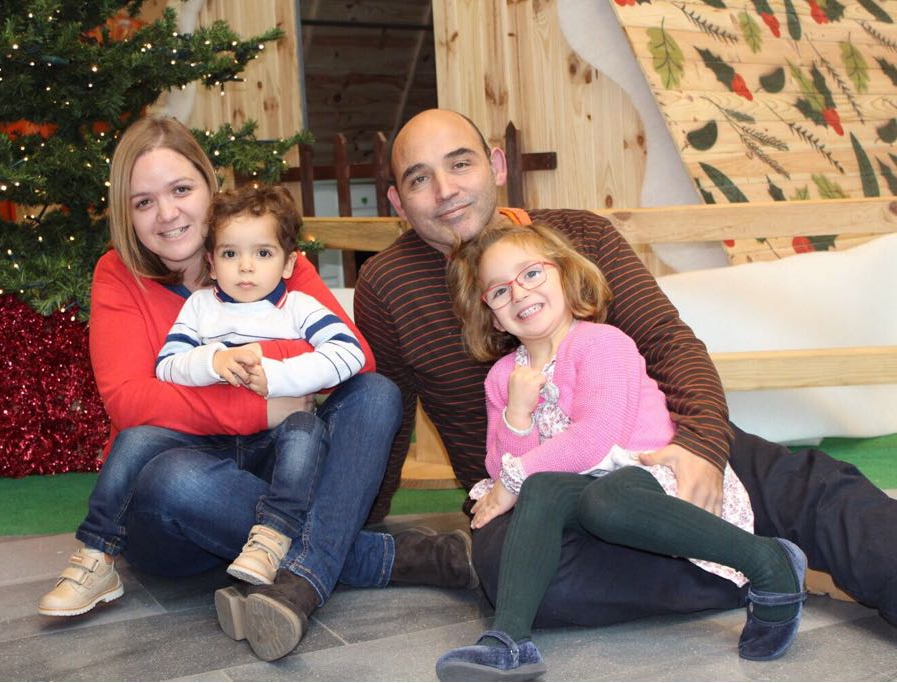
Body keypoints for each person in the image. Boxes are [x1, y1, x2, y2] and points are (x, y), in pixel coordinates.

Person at [354, 108, 897, 628]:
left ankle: (759, 547)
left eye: (460, 163)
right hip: (530, 497)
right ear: (398, 203)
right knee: (519, 581)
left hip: (651, 449)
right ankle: (758, 565)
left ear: (496, 165)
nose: (446, 190)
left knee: (812, 488)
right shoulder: (386, 284)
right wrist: (355, 528)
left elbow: (668, 342)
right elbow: (390, 415)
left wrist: (703, 446)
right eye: (420, 178)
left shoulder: (581, 235)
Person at [37, 115, 478, 663]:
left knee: (377, 393)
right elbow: (130, 402)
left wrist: (242, 371)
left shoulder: (266, 251)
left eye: (180, 190)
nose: (167, 213)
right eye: (143, 201)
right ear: (125, 213)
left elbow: (349, 355)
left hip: (281, 472)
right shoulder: (117, 273)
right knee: (173, 479)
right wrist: (263, 405)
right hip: (181, 501)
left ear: (209, 187)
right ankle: (380, 558)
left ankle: (298, 578)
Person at [433, 221, 806, 680]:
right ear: (492, 315)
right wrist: (517, 414)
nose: (519, 293)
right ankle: (510, 640)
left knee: (598, 497)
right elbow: (500, 464)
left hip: (650, 477)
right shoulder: (503, 377)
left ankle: (768, 561)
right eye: (499, 291)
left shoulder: (603, 344)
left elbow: (595, 441)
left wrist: (512, 480)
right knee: (543, 490)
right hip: (583, 487)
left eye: (531, 274)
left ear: (566, 276)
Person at [154, 184, 366, 585]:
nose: (246, 266)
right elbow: (167, 366)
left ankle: (274, 533)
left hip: (281, 452)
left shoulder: (299, 307)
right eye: (231, 253)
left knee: (305, 429)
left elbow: (351, 352)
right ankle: (309, 553)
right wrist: (212, 362)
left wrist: (279, 377)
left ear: (288, 264)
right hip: (218, 448)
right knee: (176, 472)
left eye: (263, 253)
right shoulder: (200, 306)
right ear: (212, 264)